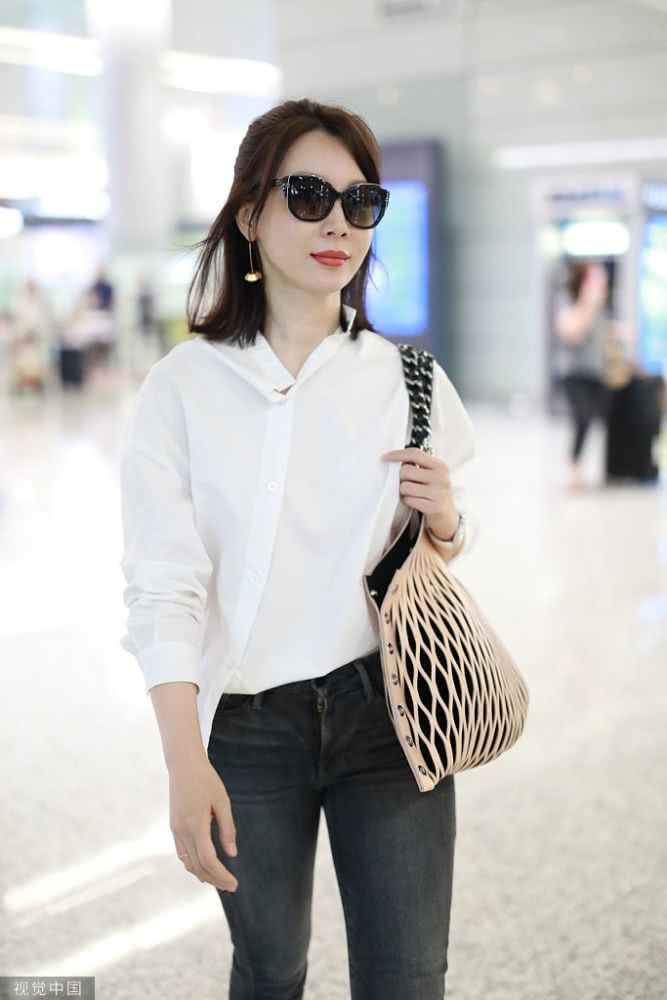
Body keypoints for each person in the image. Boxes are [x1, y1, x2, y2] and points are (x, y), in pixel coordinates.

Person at [119, 98, 476, 999]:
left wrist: (446, 521)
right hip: (245, 730)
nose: (338, 225)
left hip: (390, 713)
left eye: (361, 203)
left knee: (406, 978)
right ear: (250, 214)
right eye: (310, 196)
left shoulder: (409, 378)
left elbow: (439, 548)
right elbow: (163, 588)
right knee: (269, 971)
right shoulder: (182, 387)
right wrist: (183, 761)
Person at [554, 261, 612, 490]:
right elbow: (574, 333)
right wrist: (588, 302)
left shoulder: (600, 308)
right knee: (582, 416)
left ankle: (583, 464)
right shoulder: (568, 302)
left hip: (596, 373)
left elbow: (603, 335)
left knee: (591, 421)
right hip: (574, 373)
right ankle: (573, 465)